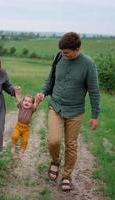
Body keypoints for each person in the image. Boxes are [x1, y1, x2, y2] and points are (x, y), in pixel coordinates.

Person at [37, 32, 100, 192]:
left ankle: (66, 176)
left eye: (67, 52)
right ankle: (55, 161)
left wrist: (94, 115)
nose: (63, 55)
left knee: (71, 145)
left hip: (75, 111)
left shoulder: (88, 64)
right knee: (53, 141)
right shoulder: (59, 57)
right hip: (56, 106)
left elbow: (94, 91)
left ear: (77, 49)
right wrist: (43, 92)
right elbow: (50, 79)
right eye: (62, 52)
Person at [10, 87, 39, 159]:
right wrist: (17, 93)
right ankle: (13, 147)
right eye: (25, 101)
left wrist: (38, 99)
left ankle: (21, 152)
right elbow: (18, 99)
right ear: (22, 102)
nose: (26, 102)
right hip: (18, 126)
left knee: (25, 141)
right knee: (14, 136)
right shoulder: (21, 106)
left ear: (32, 104)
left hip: (26, 128)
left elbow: (36, 104)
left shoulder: (31, 109)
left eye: (29, 102)